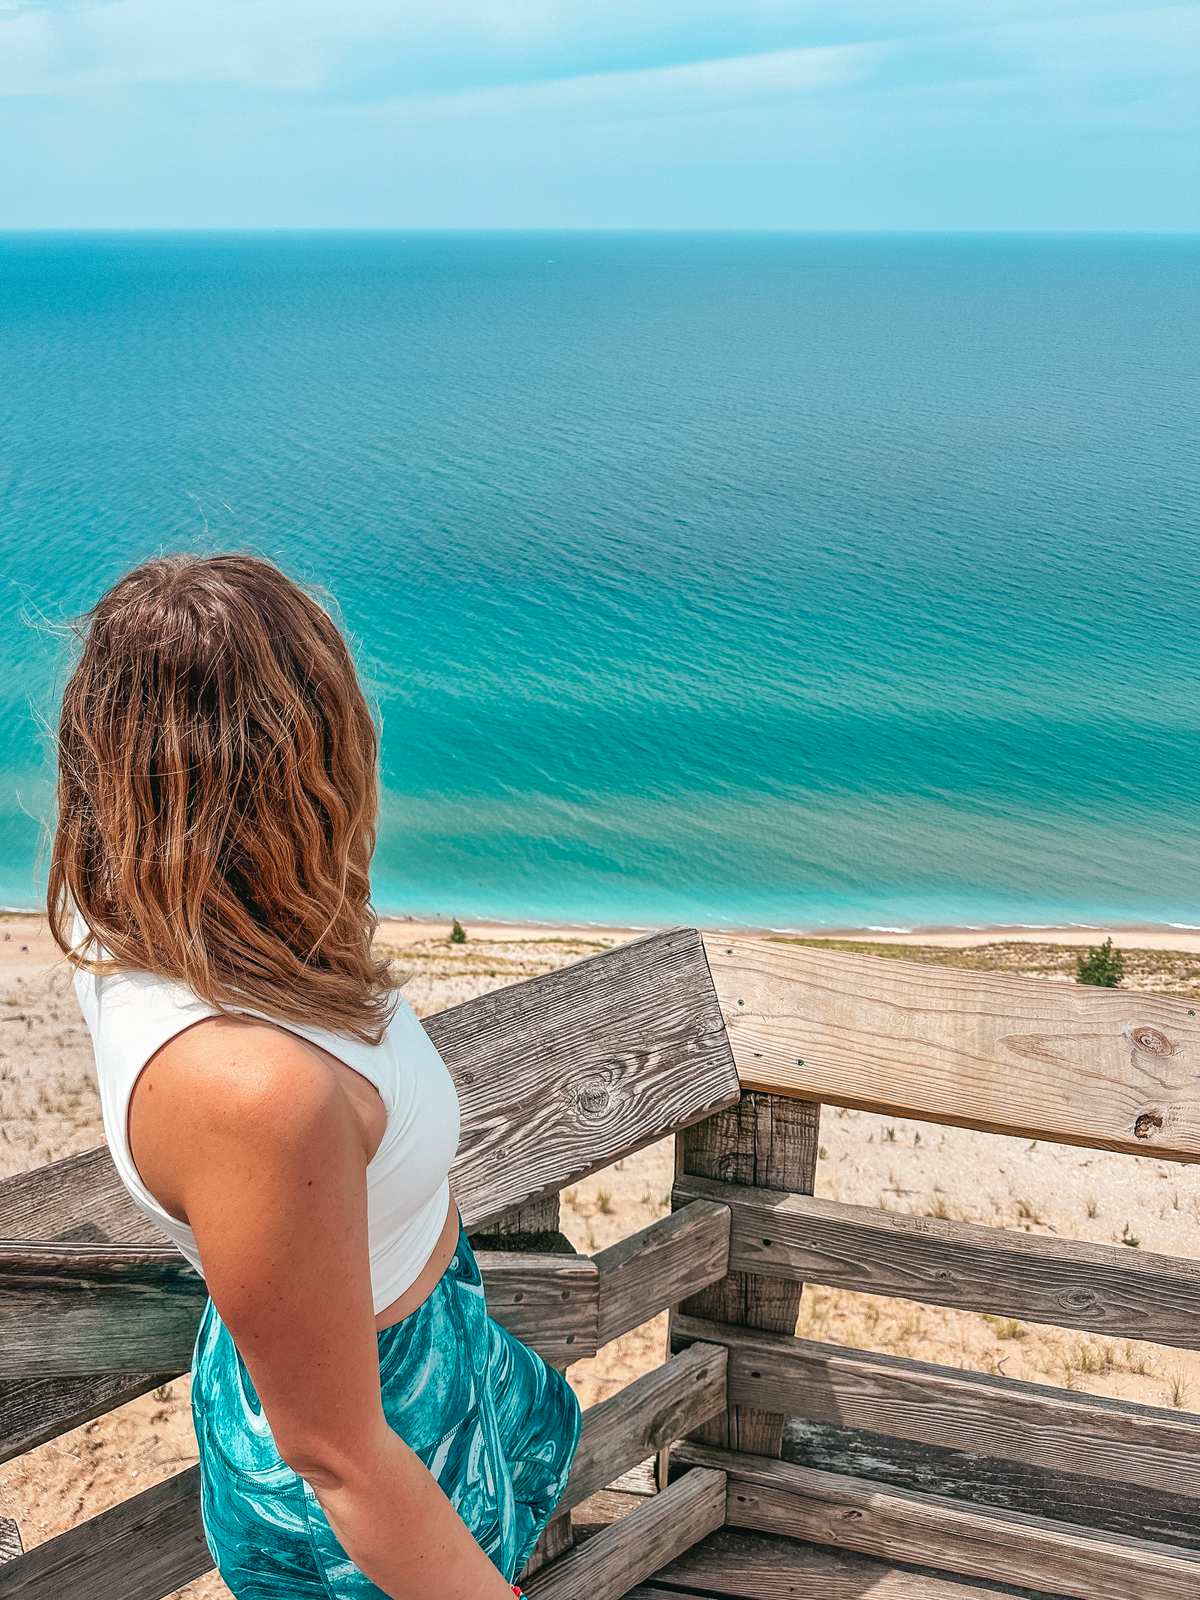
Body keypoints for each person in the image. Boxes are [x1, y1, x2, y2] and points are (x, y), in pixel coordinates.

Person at [48, 553, 581, 1599]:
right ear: (300, 761)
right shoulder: (252, 1090)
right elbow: (338, 1452)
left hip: (414, 1355)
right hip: (369, 1450)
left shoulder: (131, 915)